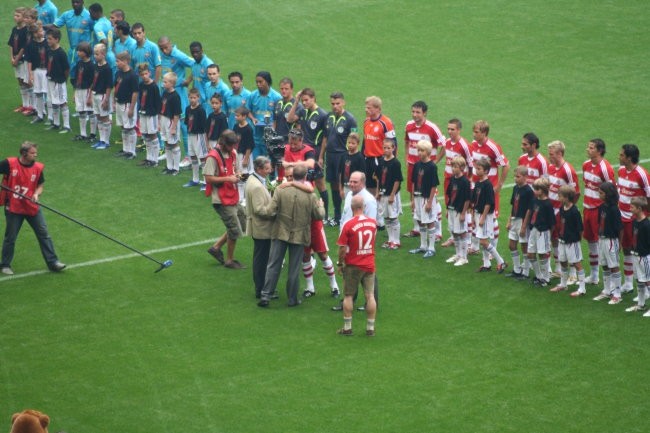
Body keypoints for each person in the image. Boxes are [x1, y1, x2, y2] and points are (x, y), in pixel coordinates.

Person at [257, 164, 325, 307]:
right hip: (299, 235)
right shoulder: (311, 195)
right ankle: (292, 299)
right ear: (305, 177)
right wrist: (321, 205)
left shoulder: (280, 190)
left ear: (292, 175)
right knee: (294, 269)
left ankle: (265, 296)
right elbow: (319, 216)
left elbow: (270, 211)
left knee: (273, 265)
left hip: (280, 231)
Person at [0, 141, 66, 275]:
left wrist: (36, 194)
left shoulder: (37, 167)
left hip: (31, 206)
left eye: (36, 152)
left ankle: (53, 262)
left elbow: (40, 185)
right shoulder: (9, 163)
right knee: (10, 237)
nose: (36, 155)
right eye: (32, 153)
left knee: (44, 234)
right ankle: (5, 265)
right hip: (13, 207)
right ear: (24, 153)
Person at [204, 130, 246, 269]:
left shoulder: (233, 153)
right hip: (220, 199)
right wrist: (228, 178)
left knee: (242, 220)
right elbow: (208, 178)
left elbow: (236, 170)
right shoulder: (213, 157)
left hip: (232, 195)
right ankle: (229, 260)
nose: (233, 148)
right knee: (234, 229)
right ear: (223, 143)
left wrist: (239, 175)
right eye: (231, 145)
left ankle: (216, 248)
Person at [336, 194, 378, 336]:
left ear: (351, 207)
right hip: (369, 263)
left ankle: (347, 328)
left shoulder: (348, 225)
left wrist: (340, 263)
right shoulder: (373, 223)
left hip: (353, 264)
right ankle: (370, 328)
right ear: (364, 207)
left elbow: (342, 248)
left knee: (348, 296)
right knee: (370, 296)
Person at [404, 101, 445, 238]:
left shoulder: (432, 128)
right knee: (413, 196)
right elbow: (406, 141)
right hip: (413, 166)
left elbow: (444, 145)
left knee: (432, 199)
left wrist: (435, 161)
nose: (415, 115)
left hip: (427, 168)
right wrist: (406, 157)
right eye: (413, 112)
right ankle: (417, 227)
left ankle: (438, 231)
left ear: (425, 113)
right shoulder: (409, 125)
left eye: (418, 112)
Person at [469, 120, 510, 254]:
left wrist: (499, 185)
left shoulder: (493, 147)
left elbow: (506, 165)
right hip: (476, 187)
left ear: (484, 133)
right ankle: (475, 247)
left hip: (489, 189)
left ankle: (493, 250)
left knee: (492, 218)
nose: (474, 134)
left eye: (476, 132)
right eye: (474, 131)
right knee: (475, 215)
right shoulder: (473, 145)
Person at [617, 143, 650, 294]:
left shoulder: (641, 174)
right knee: (626, 249)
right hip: (622, 217)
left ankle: (645, 287)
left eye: (622, 155)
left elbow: (649, 196)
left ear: (629, 158)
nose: (619, 157)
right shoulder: (621, 170)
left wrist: (644, 217)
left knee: (639, 252)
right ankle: (629, 283)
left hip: (635, 220)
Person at [582, 138, 615, 285]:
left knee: (602, 243)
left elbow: (612, 190)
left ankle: (609, 279)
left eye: (591, 148)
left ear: (599, 151)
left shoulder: (605, 168)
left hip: (598, 209)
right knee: (590, 241)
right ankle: (594, 275)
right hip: (587, 207)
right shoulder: (586, 165)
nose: (588, 150)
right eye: (588, 147)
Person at [547, 140, 580, 278]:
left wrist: (567, 209)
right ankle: (559, 268)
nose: (550, 157)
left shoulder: (568, 170)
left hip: (562, 211)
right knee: (555, 239)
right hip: (551, 209)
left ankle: (573, 273)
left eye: (552, 154)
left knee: (567, 239)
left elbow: (576, 192)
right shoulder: (550, 167)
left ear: (560, 153)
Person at [323, 91, 357, 226]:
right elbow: (325, 138)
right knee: (333, 184)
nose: (335, 106)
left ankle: (349, 214)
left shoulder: (350, 119)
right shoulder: (329, 117)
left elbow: (355, 139)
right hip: (330, 156)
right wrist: (321, 156)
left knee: (344, 185)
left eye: (337, 103)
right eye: (332, 104)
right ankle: (337, 216)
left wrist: (352, 158)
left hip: (342, 156)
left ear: (343, 103)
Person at [440, 118, 473, 247]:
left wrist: (468, 180)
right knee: (450, 206)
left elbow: (470, 164)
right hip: (449, 179)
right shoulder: (447, 142)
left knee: (464, 209)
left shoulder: (464, 145)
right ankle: (454, 235)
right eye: (448, 129)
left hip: (460, 182)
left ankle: (468, 239)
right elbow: (444, 153)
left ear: (459, 130)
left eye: (452, 129)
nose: (449, 131)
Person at [245, 156, 274, 298]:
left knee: (260, 259)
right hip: (262, 228)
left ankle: (261, 288)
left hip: (259, 228)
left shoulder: (253, 180)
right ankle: (262, 290)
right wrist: (274, 212)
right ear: (259, 169)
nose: (270, 171)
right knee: (262, 261)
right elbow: (259, 209)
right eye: (267, 169)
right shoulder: (256, 186)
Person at [472, 158, 508, 273]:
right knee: (482, 240)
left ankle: (501, 262)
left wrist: (482, 217)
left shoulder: (487, 185)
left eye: (479, 169)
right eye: (476, 168)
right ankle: (486, 264)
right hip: (478, 214)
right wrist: (474, 215)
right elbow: (475, 201)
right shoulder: (478, 183)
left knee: (483, 241)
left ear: (486, 171)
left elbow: (489, 203)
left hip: (485, 216)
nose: (476, 171)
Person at [551, 185, 587, 296]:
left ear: (567, 197)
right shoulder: (562, 208)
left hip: (572, 242)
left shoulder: (574, 211)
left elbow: (580, 228)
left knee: (577, 263)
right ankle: (563, 284)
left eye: (560, 196)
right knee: (563, 261)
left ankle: (582, 288)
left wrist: (577, 241)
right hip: (562, 240)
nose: (558, 198)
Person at [593, 182, 624, 304]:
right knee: (604, 265)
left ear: (608, 194)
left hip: (611, 241)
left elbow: (620, 228)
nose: (598, 194)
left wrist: (620, 244)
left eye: (601, 193)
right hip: (602, 239)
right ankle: (606, 290)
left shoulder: (614, 209)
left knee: (614, 266)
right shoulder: (601, 207)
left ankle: (617, 293)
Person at [409, 140, 441, 258]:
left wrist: (429, 202)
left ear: (427, 152)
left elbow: (434, 185)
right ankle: (423, 246)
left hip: (426, 198)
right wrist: (412, 199)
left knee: (430, 221)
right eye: (418, 150)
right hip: (417, 197)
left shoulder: (432, 166)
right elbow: (413, 182)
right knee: (420, 221)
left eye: (422, 150)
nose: (419, 152)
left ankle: (431, 248)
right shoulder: (417, 165)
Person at [362, 95, 396, 197]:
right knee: (367, 186)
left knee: (381, 187)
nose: (366, 109)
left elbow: (393, 144)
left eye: (369, 108)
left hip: (380, 159)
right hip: (367, 160)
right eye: (366, 107)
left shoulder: (386, 123)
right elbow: (365, 141)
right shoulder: (366, 121)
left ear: (378, 109)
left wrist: (391, 161)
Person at [50, 0, 92, 81]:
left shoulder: (89, 16)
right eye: (73, 2)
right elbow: (54, 26)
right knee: (71, 77)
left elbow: (96, 30)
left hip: (84, 53)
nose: (75, 4)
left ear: (83, 2)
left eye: (77, 2)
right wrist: (40, 27)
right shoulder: (67, 15)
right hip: (72, 51)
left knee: (83, 78)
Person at [505, 166, 534, 279]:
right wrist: (509, 220)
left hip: (522, 221)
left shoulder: (528, 191)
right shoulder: (515, 188)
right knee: (511, 245)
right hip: (514, 219)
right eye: (515, 176)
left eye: (518, 176)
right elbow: (513, 205)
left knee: (524, 246)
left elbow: (529, 210)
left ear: (525, 177)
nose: (515, 178)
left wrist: (524, 226)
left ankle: (526, 272)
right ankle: (517, 269)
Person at [527, 177, 555, 287]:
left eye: (537, 189)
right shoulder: (535, 200)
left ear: (543, 190)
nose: (535, 191)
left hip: (543, 232)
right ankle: (539, 276)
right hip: (534, 230)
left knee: (542, 254)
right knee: (531, 254)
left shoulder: (548, 204)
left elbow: (552, 222)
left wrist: (549, 236)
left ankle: (546, 278)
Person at [246, 71, 281, 158]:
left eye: (260, 82)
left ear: (267, 81)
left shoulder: (276, 97)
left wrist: (273, 125)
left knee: (269, 164)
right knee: (256, 162)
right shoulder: (252, 95)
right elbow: (247, 110)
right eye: (257, 82)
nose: (258, 84)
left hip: (270, 137)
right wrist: (253, 118)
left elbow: (279, 116)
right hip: (256, 137)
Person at [444, 156, 471, 266]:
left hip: (459, 211)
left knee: (462, 233)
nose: (453, 169)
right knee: (454, 232)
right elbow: (450, 195)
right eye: (452, 166)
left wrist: (463, 213)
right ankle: (458, 254)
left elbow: (467, 199)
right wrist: (447, 209)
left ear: (462, 168)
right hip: (451, 209)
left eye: (455, 167)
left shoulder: (465, 182)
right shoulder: (452, 179)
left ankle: (464, 257)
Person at [625, 197, 650, 315]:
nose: (630, 209)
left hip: (644, 257)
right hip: (635, 255)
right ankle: (641, 304)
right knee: (639, 280)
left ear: (639, 209)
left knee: (648, 281)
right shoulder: (635, 221)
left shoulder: (646, 225)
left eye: (632, 207)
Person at [377, 139, 403, 249]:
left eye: (389, 148)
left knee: (393, 217)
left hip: (392, 195)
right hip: (383, 193)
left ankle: (396, 241)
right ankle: (390, 239)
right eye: (385, 148)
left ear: (393, 148)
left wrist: (393, 194)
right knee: (386, 217)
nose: (386, 150)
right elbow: (378, 178)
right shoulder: (381, 161)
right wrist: (378, 191)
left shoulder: (395, 163)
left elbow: (397, 180)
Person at [44, 27, 71, 133]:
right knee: (53, 102)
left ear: (56, 39)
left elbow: (66, 69)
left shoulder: (61, 53)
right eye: (47, 39)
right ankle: (56, 123)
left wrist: (64, 79)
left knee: (62, 102)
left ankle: (67, 126)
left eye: (50, 39)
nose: (48, 41)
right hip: (50, 79)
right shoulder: (49, 51)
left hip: (58, 81)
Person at [112, 51, 138, 158]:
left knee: (130, 128)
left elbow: (135, 92)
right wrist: (114, 101)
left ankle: (132, 152)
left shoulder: (133, 75)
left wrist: (131, 108)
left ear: (125, 61)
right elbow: (116, 87)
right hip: (119, 103)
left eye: (118, 61)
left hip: (127, 104)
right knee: (123, 127)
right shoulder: (118, 73)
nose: (116, 63)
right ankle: (125, 149)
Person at [137, 63, 162, 166]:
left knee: (152, 134)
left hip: (152, 114)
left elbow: (158, 103)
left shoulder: (154, 87)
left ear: (149, 73)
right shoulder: (141, 85)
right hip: (143, 113)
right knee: (146, 135)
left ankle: (155, 160)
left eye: (146, 74)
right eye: (142, 74)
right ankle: (149, 158)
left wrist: (159, 119)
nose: (144, 76)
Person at [88, 43, 112, 149]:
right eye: (94, 54)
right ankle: (101, 139)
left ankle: (106, 141)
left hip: (102, 95)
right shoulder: (95, 66)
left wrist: (106, 99)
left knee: (105, 118)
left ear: (103, 54)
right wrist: (89, 95)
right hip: (95, 94)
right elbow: (93, 82)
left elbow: (109, 85)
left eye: (97, 54)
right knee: (98, 117)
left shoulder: (107, 69)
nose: (95, 56)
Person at [25, 22, 49, 124]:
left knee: (47, 92)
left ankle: (51, 116)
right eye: (40, 31)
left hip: (46, 71)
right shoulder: (30, 44)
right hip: (37, 70)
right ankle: (40, 114)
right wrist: (30, 73)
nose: (42, 32)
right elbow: (29, 60)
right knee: (38, 92)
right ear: (34, 33)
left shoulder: (47, 42)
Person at [183, 87, 207, 188]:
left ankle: (206, 182)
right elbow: (187, 122)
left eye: (194, 98)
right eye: (191, 97)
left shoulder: (201, 110)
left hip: (199, 136)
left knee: (202, 158)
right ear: (188, 97)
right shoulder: (188, 109)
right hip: (190, 135)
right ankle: (195, 179)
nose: (192, 99)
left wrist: (206, 141)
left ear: (198, 98)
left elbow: (204, 127)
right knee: (192, 156)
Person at [9, 8, 31, 115]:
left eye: (18, 15)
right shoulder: (14, 29)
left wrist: (17, 58)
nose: (15, 17)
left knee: (26, 82)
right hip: (16, 59)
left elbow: (24, 47)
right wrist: (11, 58)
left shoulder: (26, 30)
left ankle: (30, 105)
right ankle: (24, 104)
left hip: (22, 60)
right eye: (15, 15)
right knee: (20, 82)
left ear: (23, 17)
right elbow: (11, 44)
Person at [159, 71, 182, 174]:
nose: (163, 84)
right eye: (163, 81)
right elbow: (161, 108)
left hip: (171, 121)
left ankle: (176, 168)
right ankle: (169, 166)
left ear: (172, 83)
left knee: (173, 144)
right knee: (166, 143)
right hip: (164, 119)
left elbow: (177, 114)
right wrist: (159, 122)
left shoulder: (175, 96)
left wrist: (173, 127)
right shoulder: (164, 93)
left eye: (165, 82)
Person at [233, 107, 254, 201]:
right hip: (237, 154)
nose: (235, 117)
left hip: (245, 155)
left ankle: (246, 197)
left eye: (237, 116)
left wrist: (246, 158)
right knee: (239, 173)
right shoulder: (236, 126)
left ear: (244, 116)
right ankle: (240, 197)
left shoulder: (248, 129)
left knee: (245, 175)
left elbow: (250, 145)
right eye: (235, 115)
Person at [338, 132, 365, 199]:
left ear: (358, 144)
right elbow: (340, 173)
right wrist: (341, 189)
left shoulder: (360, 158)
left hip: (356, 188)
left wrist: (361, 189)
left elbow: (362, 176)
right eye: (349, 143)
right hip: (345, 187)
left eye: (353, 143)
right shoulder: (343, 156)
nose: (350, 145)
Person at [187, 41, 213, 107]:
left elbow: (214, 83)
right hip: (196, 102)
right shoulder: (194, 63)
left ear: (201, 51)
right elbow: (195, 78)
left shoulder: (208, 64)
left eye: (197, 52)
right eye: (193, 52)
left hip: (205, 103)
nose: (195, 54)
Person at [274, 77, 297, 141]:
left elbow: (299, 125)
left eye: (286, 89)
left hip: (290, 141)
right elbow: (274, 121)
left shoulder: (296, 105)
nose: (283, 91)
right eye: (282, 89)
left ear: (291, 89)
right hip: (277, 139)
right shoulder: (277, 103)